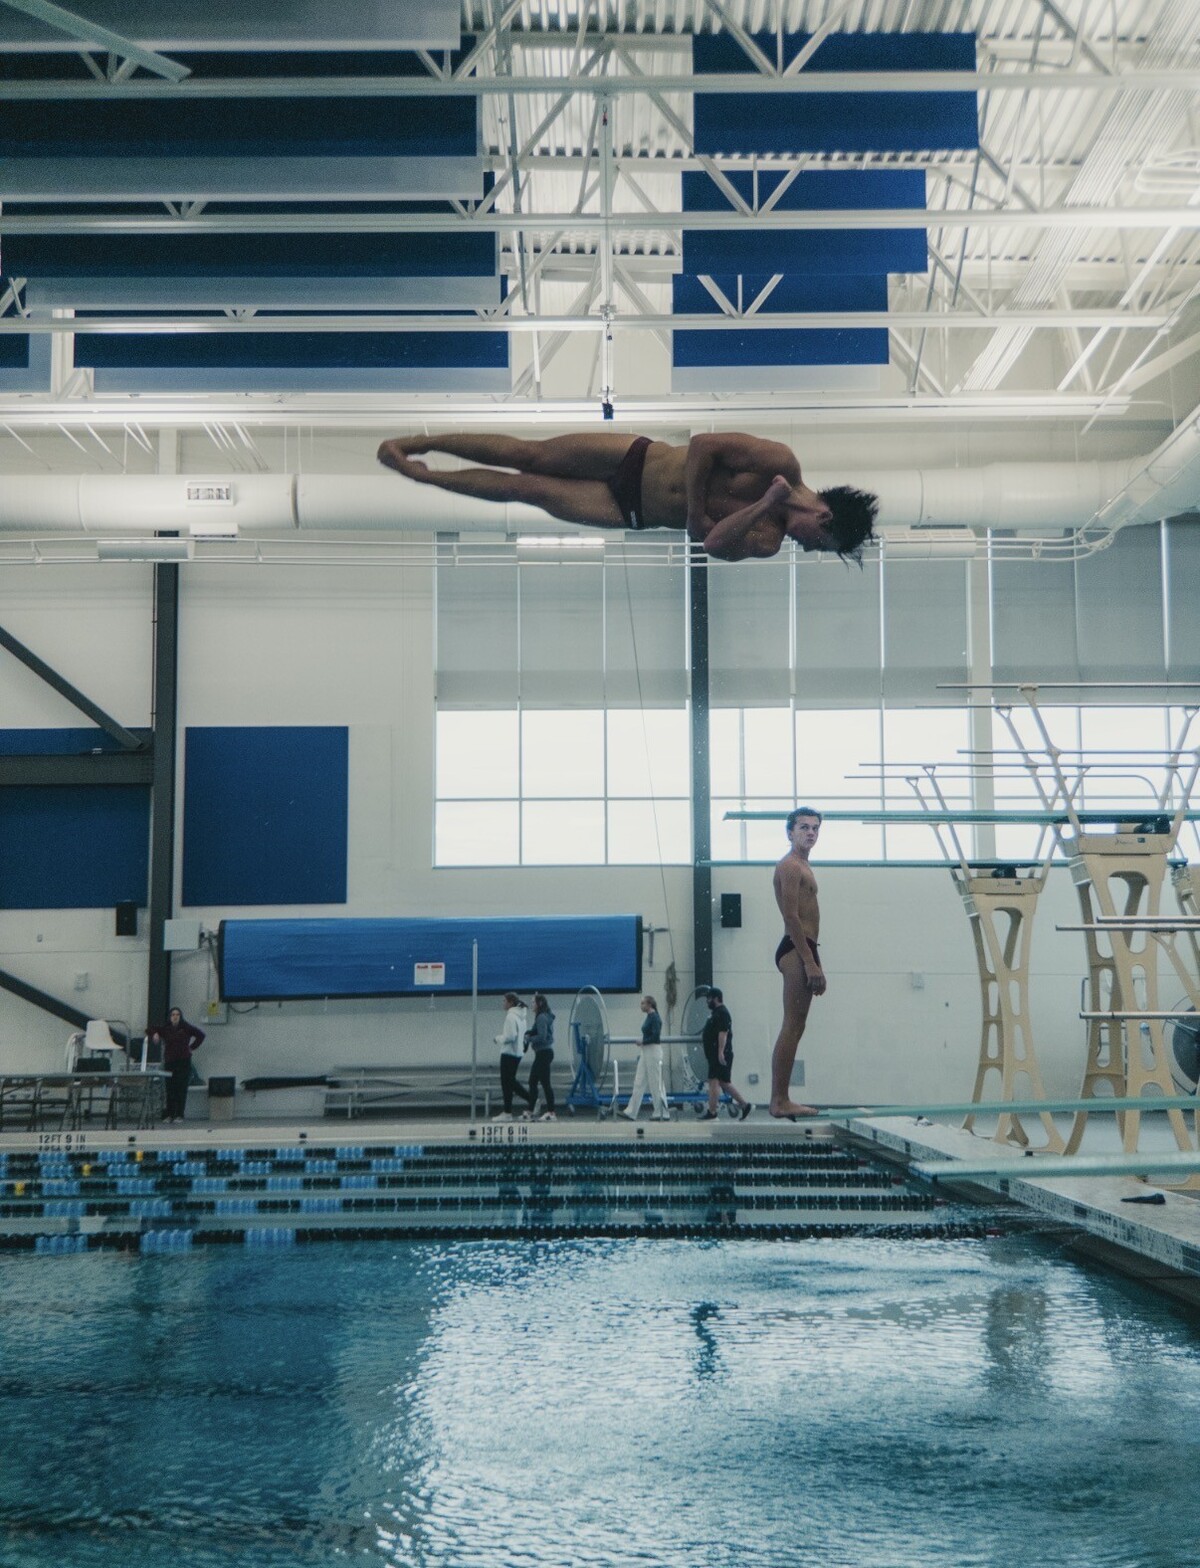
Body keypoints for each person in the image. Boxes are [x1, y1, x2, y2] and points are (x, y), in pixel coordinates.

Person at [377, 431, 877, 563]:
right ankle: (420, 443)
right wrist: (696, 511)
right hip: (637, 460)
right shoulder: (779, 461)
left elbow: (713, 544)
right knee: (532, 455)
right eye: (819, 543)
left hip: (627, 510)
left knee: (523, 489)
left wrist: (766, 504)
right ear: (824, 516)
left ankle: (425, 477)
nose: (807, 548)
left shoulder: (767, 538)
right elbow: (704, 445)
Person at [770, 807, 826, 1120]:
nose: (810, 833)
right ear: (790, 832)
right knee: (791, 1025)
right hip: (796, 947)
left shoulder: (804, 865)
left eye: (815, 828)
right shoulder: (790, 866)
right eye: (804, 827)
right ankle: (779, 1100)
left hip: (805, 947)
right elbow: (791, 916)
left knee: (797, 1025)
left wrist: (816, 960)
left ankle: (782, 1098)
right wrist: (810, 962)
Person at [700, 987, 752, 1121]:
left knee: (714, 1081)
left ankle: (712, 1112)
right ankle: (744, 1105)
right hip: (715, 1054)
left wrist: (720, 1052)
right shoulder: (716, 1013)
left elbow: (723, 1033)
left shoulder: (722, 1013)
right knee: (724, 1082)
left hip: (719, 1054)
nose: (707, 1001)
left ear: (716, 998)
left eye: (709, 998)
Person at [619, 994, 671, 1122]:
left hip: (653, 1051)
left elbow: (655, 1036)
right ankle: (631, 1111)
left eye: (643, 1003)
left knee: (656, 1083)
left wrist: (643, 1041)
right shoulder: (650, 1017)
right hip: (646, 1050)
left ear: (649, 1004)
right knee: (639, 1081)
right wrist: (644, 1042)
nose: (641, 1006)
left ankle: (662, 1112)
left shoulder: (655, 1018)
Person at [149, 1006, 205, 1124]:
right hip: (170, 1061)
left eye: (177, 1015)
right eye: (173, 1015)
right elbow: (150, 1029)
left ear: (180, 1016)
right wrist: (155, 1034)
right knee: (170, 1089)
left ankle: (179, 1114)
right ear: (170, 1017)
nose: (175, 1017)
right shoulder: (166, 1028)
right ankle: (170, 1114)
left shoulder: (186, 1027)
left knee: (181, 1089)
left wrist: (192, 1047)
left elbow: (201, 1035)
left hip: (183, 1061)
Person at [493, 992, 533, 1122]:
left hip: (509, 1053)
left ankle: (511, 1110)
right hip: (517, 1053)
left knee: (507, 1083)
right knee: (510, 1082)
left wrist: (498, 1038)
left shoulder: (511, 1016)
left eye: (504, 1001)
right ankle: (509, 1110)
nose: (503, 1003)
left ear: (510, 1002)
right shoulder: (522, 1016)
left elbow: (510, 1037)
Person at [522, 992, 558, 1122]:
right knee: (533, 1081)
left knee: (544, 1083)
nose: (531, 1004)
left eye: (533, 1002)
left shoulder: (541, 1017)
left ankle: (551, 1112)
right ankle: (531, 1110)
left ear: (540, 1003)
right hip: (543, 1053)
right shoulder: (542, 1016)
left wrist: (529, 1039)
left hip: (544, 1053)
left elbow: (542, 1036)